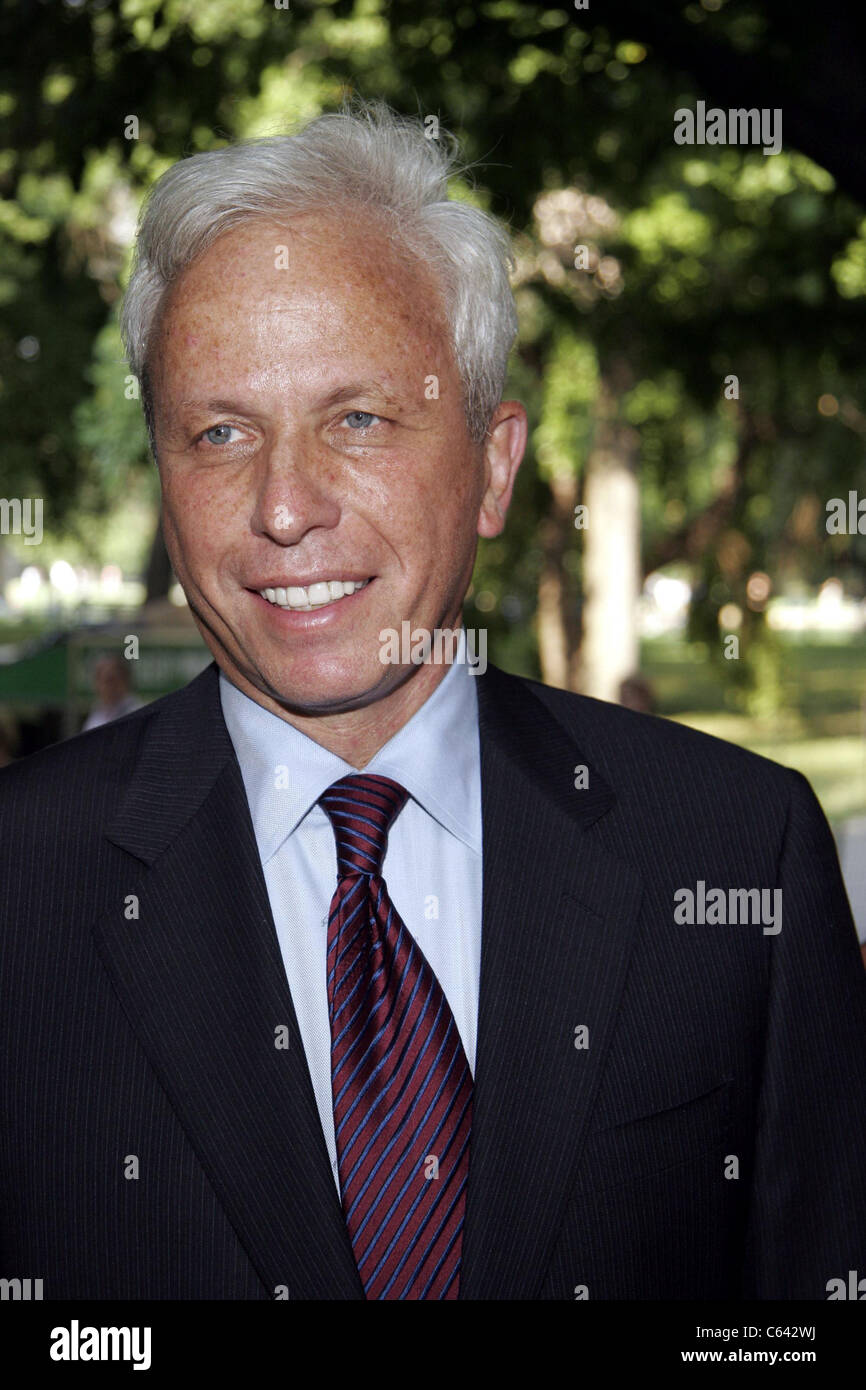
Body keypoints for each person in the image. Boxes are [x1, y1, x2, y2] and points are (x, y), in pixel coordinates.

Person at [1, 99, 864, 1302]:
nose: (285, 505)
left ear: (494, 465)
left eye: (356, 419)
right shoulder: (21, 887)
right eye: (218, 431)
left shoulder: (733, 851)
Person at [81, 653, 143, 731]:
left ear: (125, 680)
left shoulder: (137, 713)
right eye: (99, 679)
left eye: (110, 680)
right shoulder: (95, 716)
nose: (104, 686)